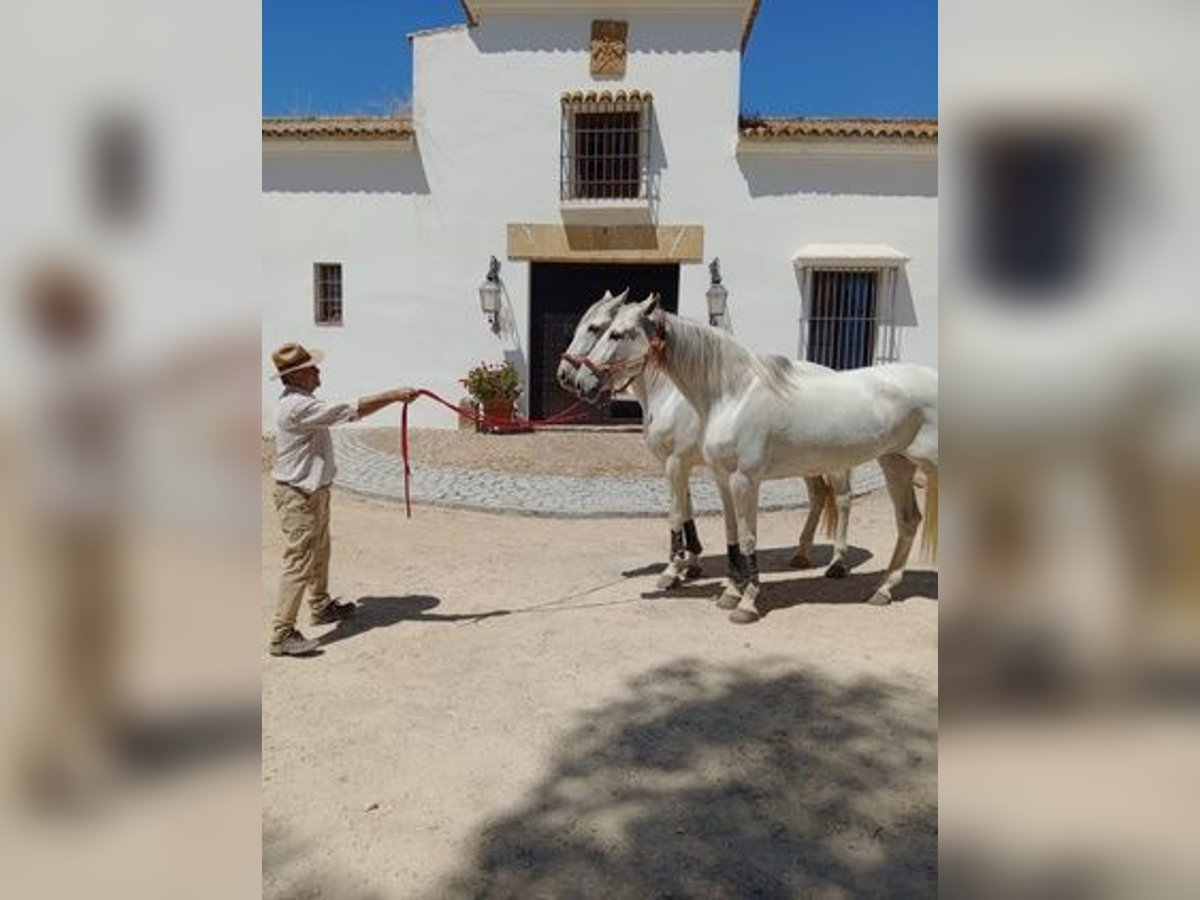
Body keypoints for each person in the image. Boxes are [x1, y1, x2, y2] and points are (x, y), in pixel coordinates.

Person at [269, 342, 418, 656]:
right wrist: (393, 395)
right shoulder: (297, 407)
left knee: (320, 551)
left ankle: (321, 606)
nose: (318, 370)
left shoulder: (303, 401)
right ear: (298, 375)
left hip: (311, 492)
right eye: (312, 367)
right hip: (298, 495)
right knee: (300, 560)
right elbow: (349, 411)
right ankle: (281, 635)